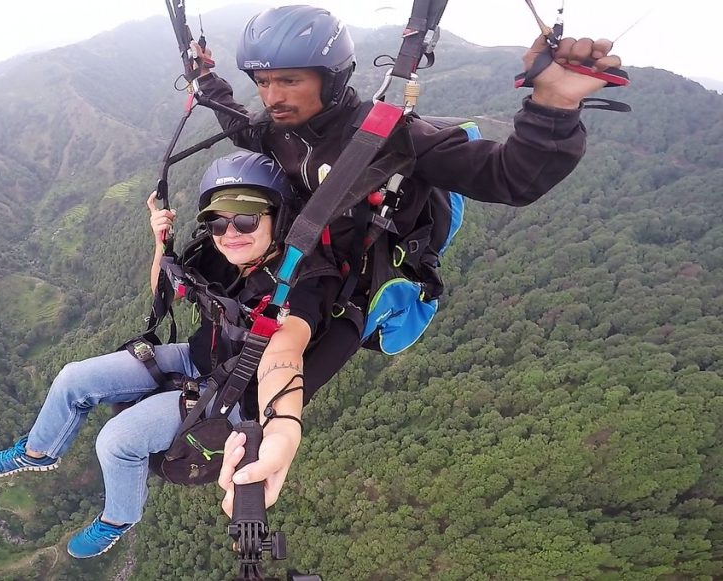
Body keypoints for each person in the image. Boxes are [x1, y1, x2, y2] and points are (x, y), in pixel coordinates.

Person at [190, 5, 626, 517]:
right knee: (211, 347)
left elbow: (509, 177)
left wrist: (553, 103)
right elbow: (236, 119)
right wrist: (205, 76)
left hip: (350, 290)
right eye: (261, 82)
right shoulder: (277, 127)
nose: (272, 96)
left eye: (288, 80)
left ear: (332, 79)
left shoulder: (389, 137)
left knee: (248, 401)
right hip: (296, 267)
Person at [0, 151, 339, 558]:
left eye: (246, 219)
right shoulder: (223, 255)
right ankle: (38, 451)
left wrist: (285, 428)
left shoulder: (304, 284)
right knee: (74, 377)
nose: (230, 231)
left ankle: (119, 518)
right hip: (196, 358)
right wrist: (159, 243)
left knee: (116, 441)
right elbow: (164, 290)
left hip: (238, 396)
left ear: (279, 216)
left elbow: (285, 351)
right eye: (217, 221)